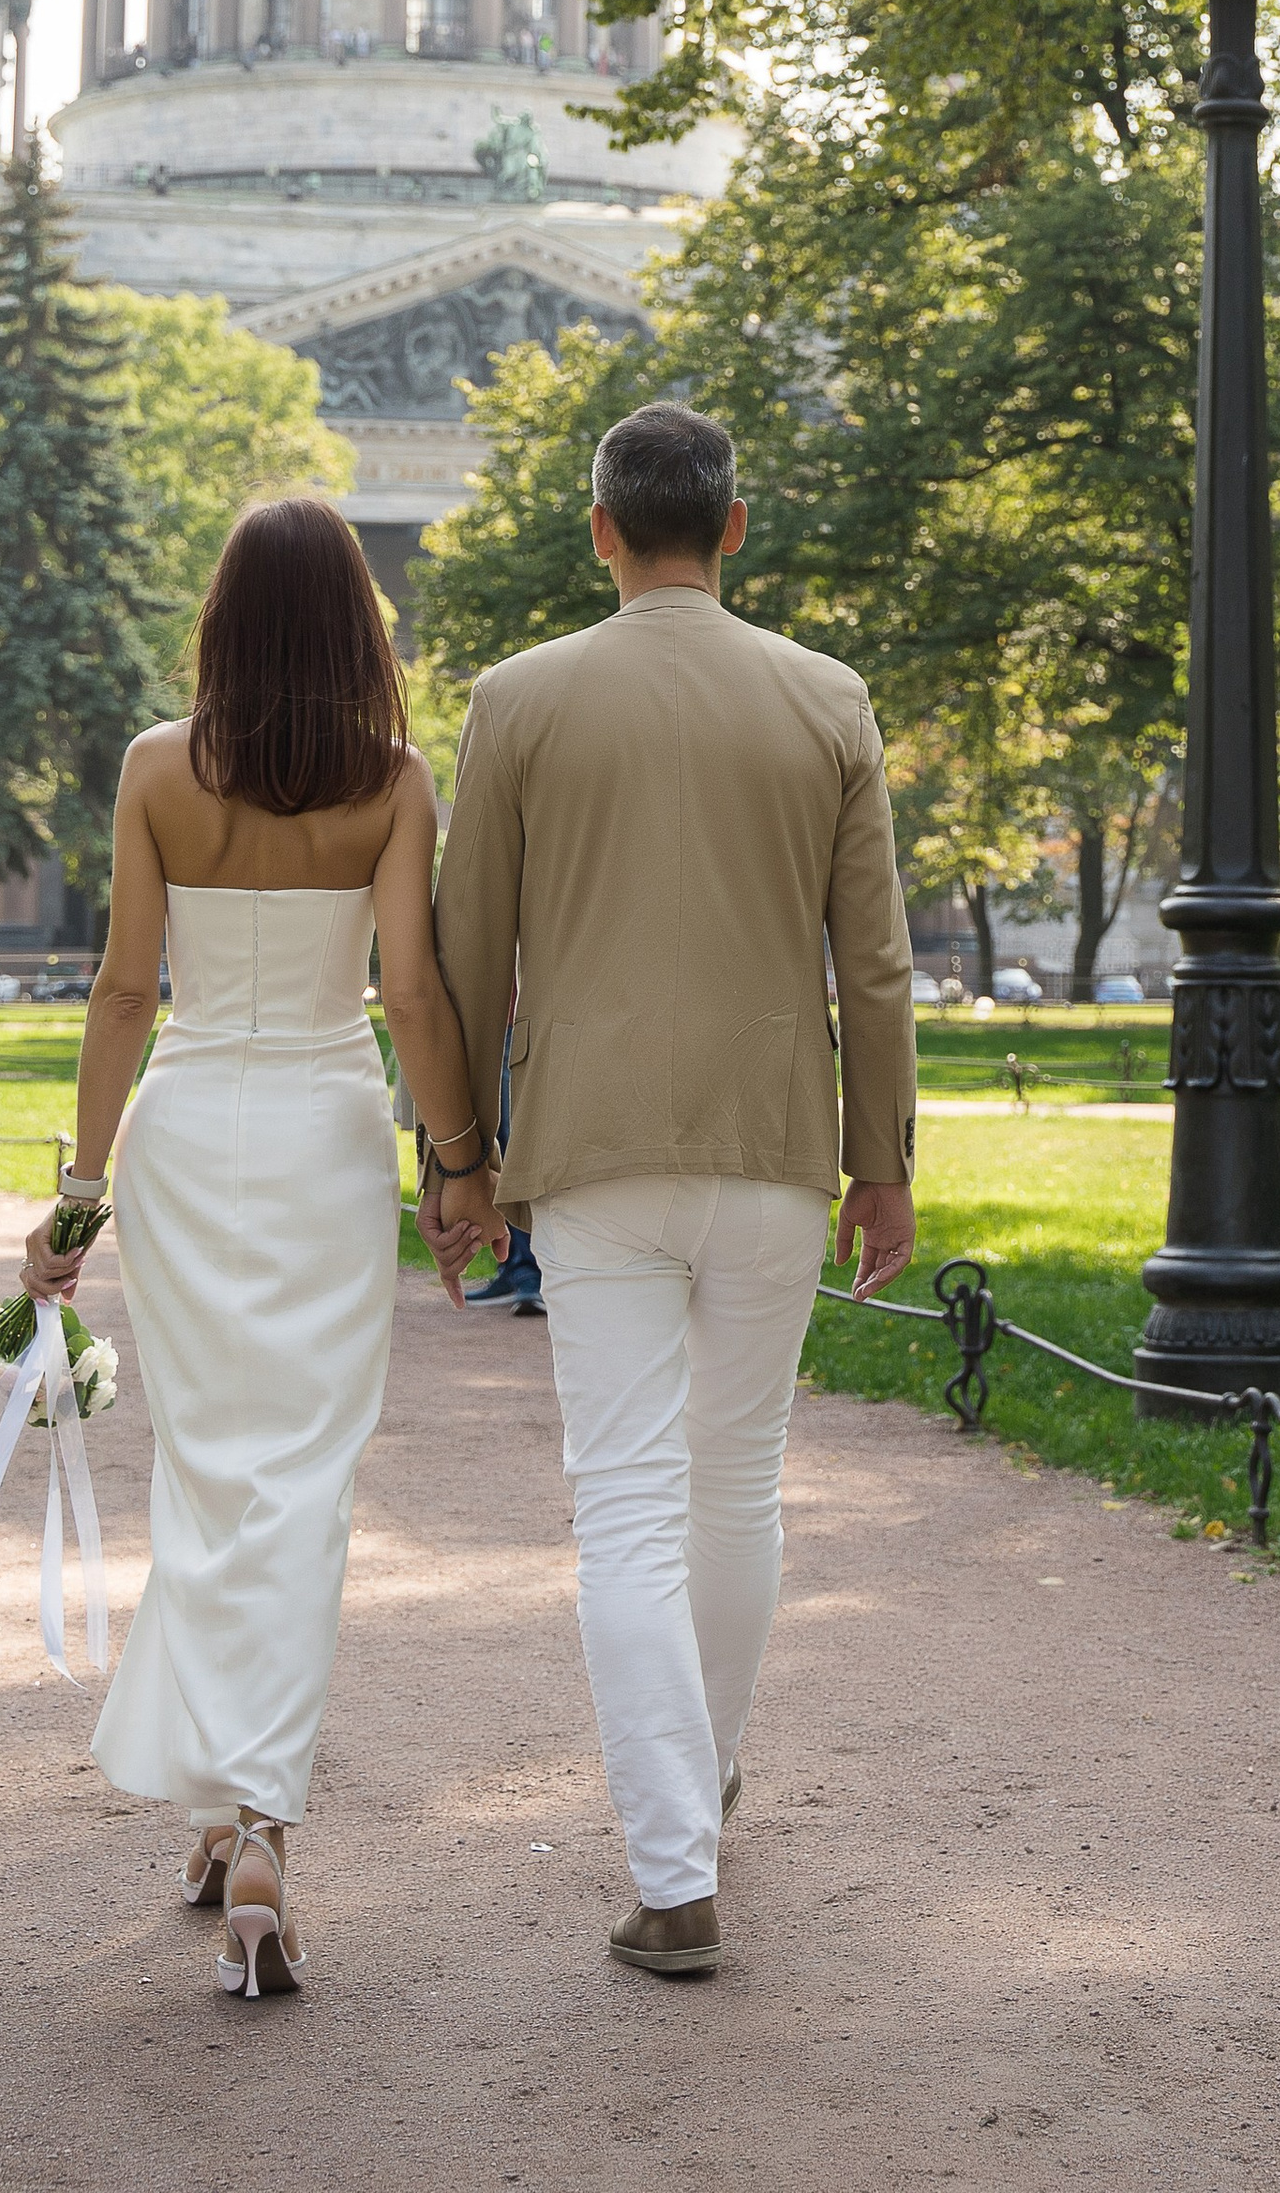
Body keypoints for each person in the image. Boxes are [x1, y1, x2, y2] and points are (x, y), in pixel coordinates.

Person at [424, 401, 917, 1984]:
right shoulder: (827, 697)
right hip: (776, 1144)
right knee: (742, 1485)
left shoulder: (517, 700)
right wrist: (886, 1164)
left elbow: (463, 960)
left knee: (626, 1499)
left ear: (600, 530)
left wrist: (454, 1165)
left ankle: (672, 1862)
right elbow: (880, 966)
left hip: (589, 1151)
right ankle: (695, 1788)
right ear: (736, 522)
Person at [22, 498, 487, 2002]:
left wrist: (78, 1195)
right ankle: (259, 1818)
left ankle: (228, 1814)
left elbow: (120, 994)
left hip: (188, 1131)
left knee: (210, 1465)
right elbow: (411, 996)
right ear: (361, 621)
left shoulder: (159, 768)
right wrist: (463, 1165)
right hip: (326, 1134)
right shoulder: (397, 780)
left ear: (223, 617)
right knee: (302, 1480)